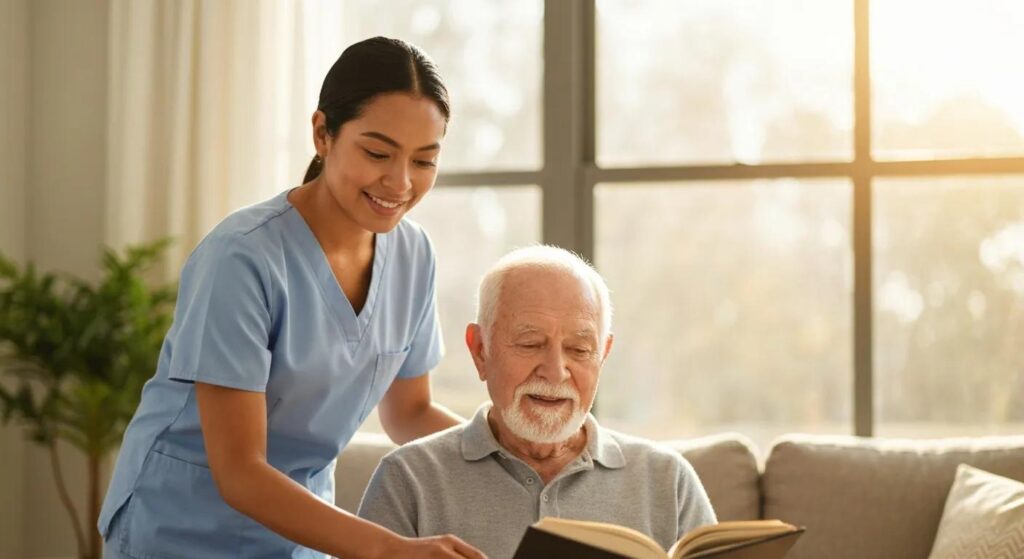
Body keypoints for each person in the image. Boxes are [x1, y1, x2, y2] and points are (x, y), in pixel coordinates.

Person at [99, 37, 486, 559]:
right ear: (323, 134)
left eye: (424, 160)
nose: (400, 181)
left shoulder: (413, 255)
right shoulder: (241, 258)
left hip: (299, 533)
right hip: (178, 530)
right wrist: (390, 549)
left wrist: (506, 452)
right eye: (377, 153)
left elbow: (409, 413)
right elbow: (239, 472)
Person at [357, 246, 717, 559]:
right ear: (480, 350)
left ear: (603, 355)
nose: (556, 372)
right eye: (530, 344)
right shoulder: (407, 479)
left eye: (579, 349)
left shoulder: (669, 480)